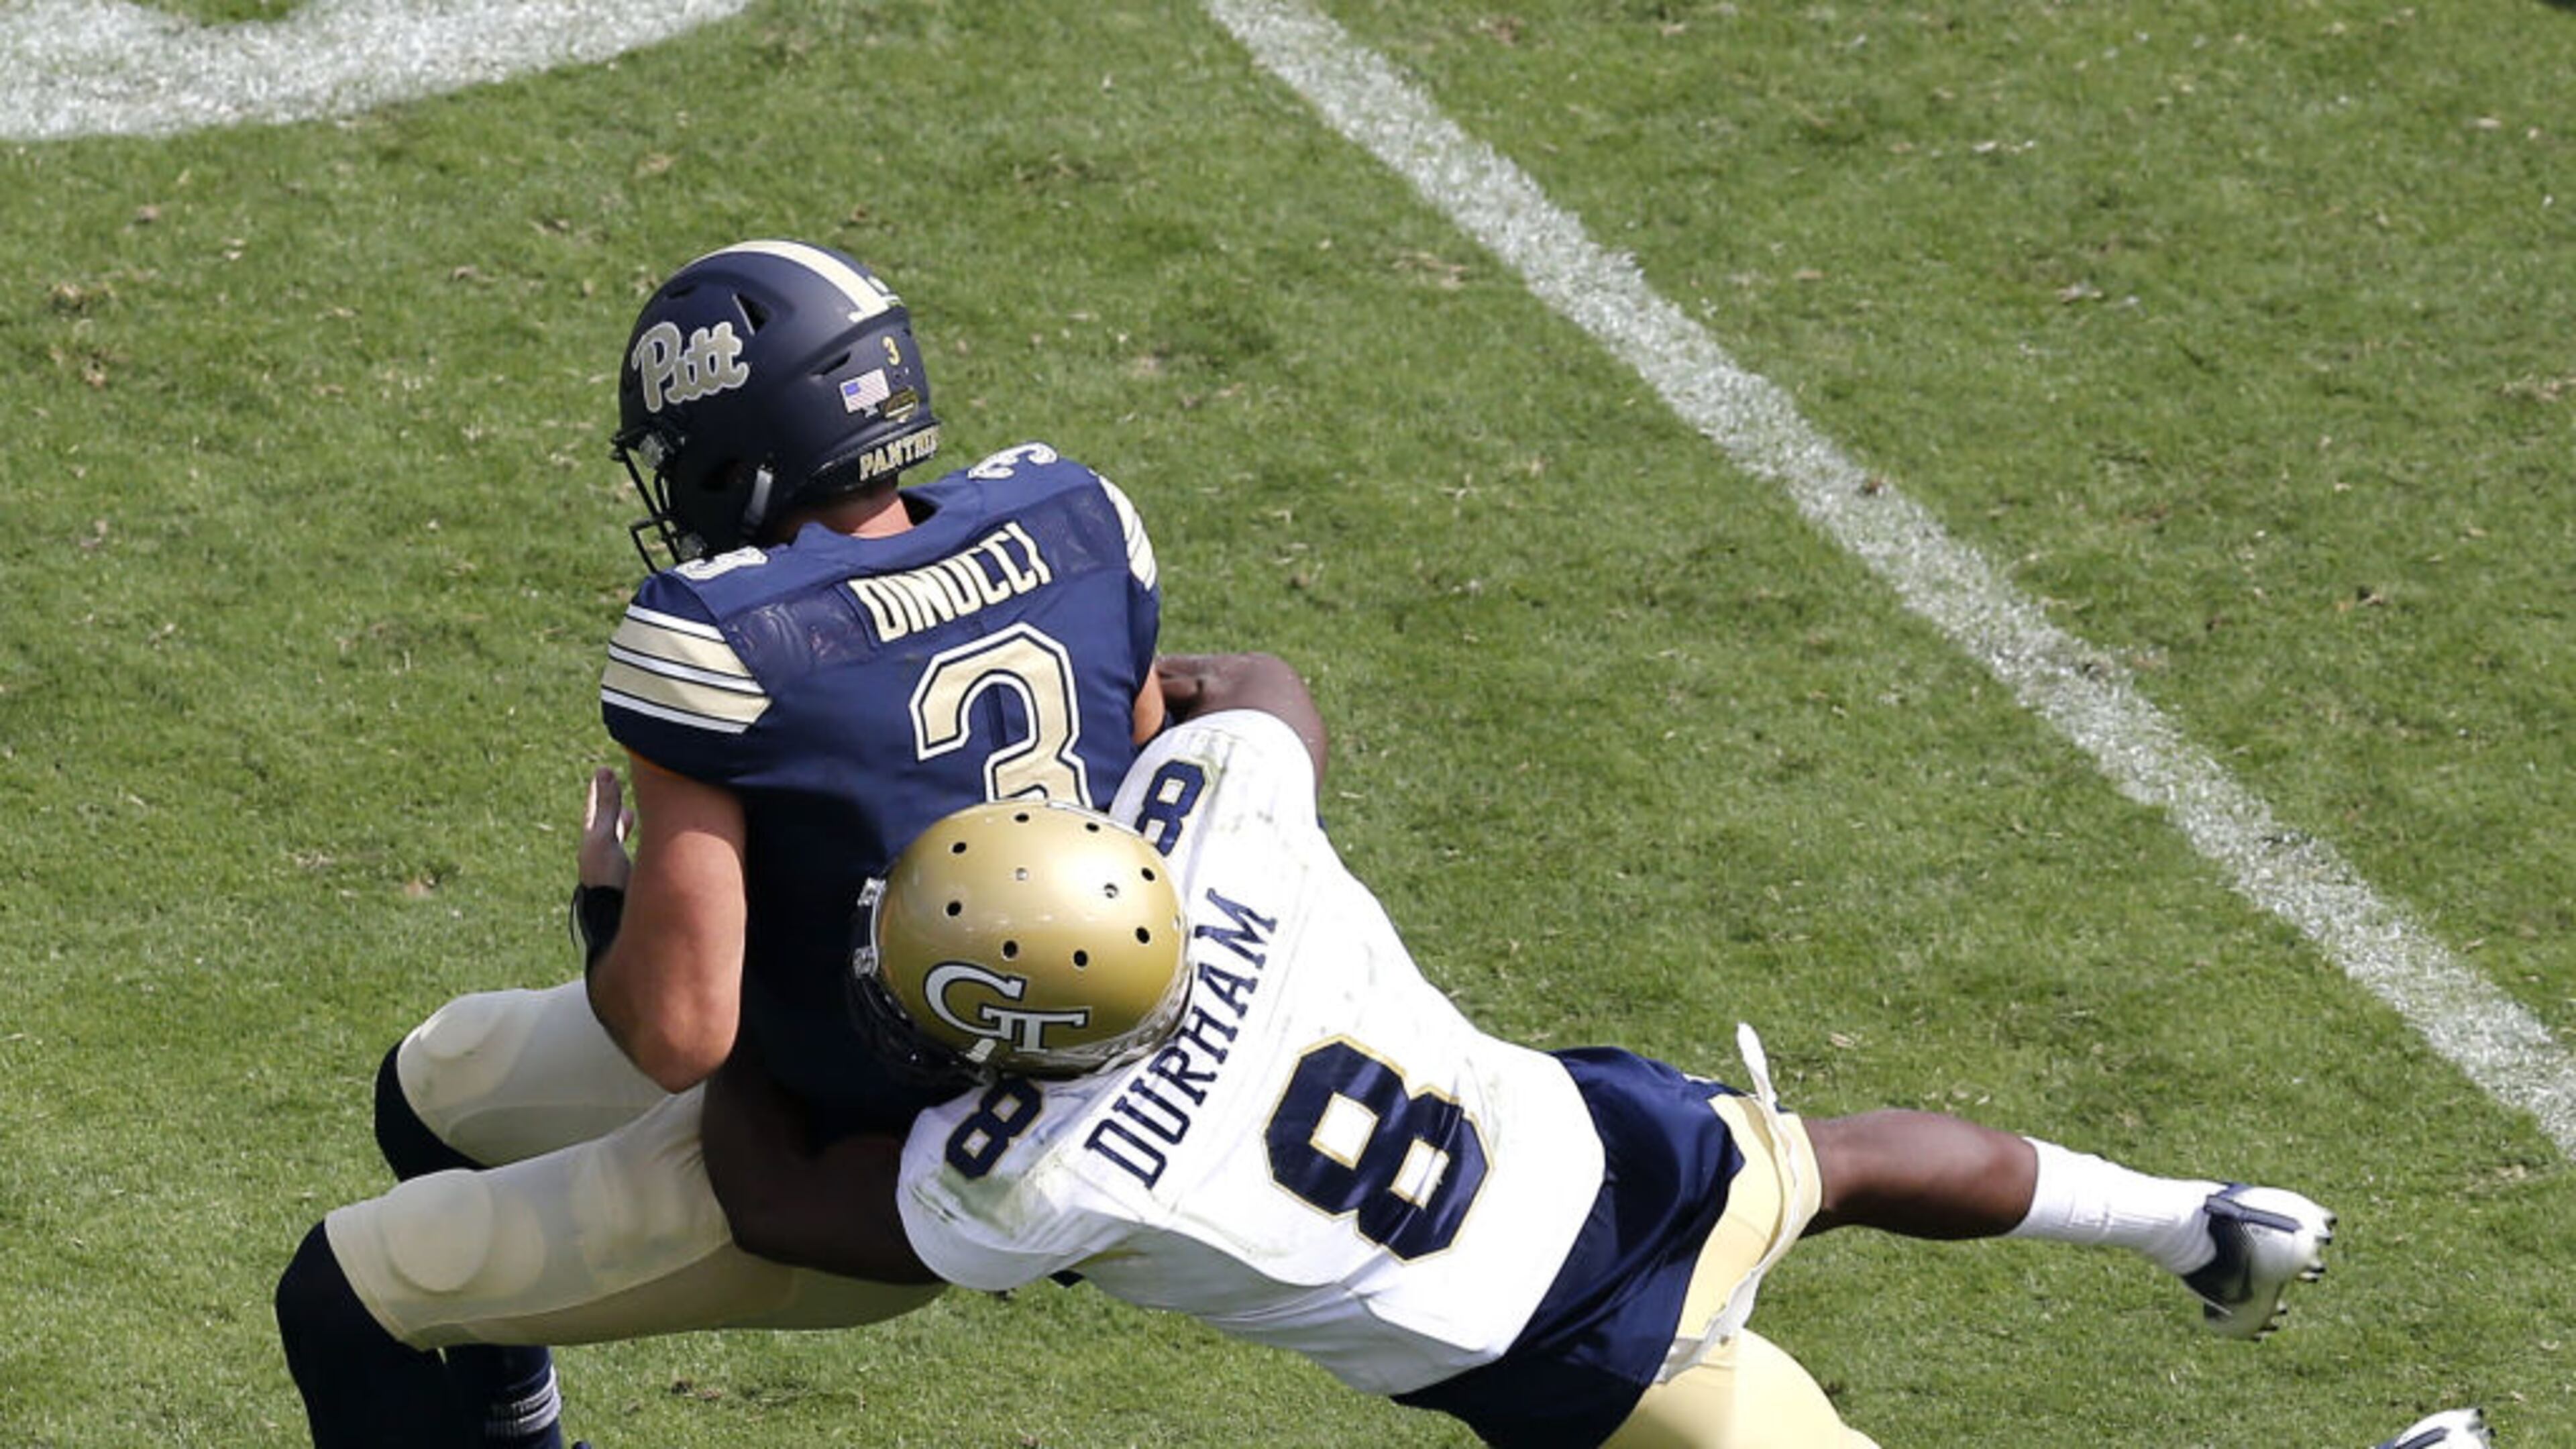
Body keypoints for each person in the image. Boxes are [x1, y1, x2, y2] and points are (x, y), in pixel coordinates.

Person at [698, 652, 2357, 1448]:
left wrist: (688, 979)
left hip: (1568, 1342)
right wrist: (1157, 700)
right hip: (1599, 1138)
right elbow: (1258, 686)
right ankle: (2199, 1219)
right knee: (1839, 1160)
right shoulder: (1223, 835)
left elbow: (773, 1197)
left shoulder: (1033, 1176)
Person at [274, 239, 1167, 1448]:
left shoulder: (722, 636)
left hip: (837, 1164)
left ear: (738, 446)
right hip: (1037, 1059)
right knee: (435, 1090)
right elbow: (1153, 798)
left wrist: (608, 914)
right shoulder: (1079, 518)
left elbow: (680, 1035)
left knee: (338, 1298)